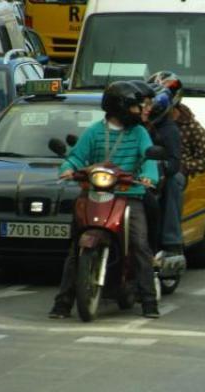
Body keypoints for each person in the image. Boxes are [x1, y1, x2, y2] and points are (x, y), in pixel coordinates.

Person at [49, 81, 160, 319]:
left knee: (139, 245)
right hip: (95, 194)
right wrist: (68, 168)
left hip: (130, 195)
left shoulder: (140, 133)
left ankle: (149, 300)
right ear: (119, 107)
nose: (139, 112)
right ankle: (63, 302)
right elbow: (77, 157)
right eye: (134, 107)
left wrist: (149, 177)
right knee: (75, 248)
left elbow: (149, 159)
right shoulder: (94, 132)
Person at [149, 71, 205, 177]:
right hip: (148, 174)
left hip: (178, 175)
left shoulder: (190, 126)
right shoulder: (143, 123)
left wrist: (180, 167)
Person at [145, 82, 185, 256]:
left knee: (172, 182)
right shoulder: (132, 126)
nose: (147, 110)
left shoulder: (169, 130)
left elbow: (174, 163)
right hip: (132, 172)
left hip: (164, 172)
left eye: (151, 106)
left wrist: (157, 168)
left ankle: (171, 240)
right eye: (144, 106)